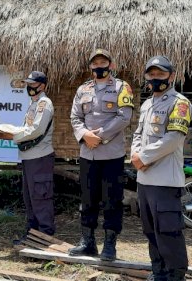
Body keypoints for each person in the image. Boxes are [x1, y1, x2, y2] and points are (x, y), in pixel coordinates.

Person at [69, 48, 135, 261]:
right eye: (95, 63)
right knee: (88, 200)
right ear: (90, 66)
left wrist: (101, 136)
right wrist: (84, 134)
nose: (99, 66)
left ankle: (109, 245)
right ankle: (88, 242)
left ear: (111, 65)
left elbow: (125, 117)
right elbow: (75, 117)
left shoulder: (122, 87)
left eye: (103, 62)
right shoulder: (83, 89)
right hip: (88, 155)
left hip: (112, 155)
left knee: (112, 200)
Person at [131, 55, 192, 281]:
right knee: (150, 230)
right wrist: (135, 154)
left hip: (165, 181)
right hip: (144, 180)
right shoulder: (147, 104)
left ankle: (176, 275)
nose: (155, 78)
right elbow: (138, 134)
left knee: (168, 232)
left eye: (161, 74)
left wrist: (144, 157)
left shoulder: (180, 103)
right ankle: (159, 271)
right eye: (152, 74)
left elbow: (174, 138)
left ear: (172, 76)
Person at [0, 71, 56, 239]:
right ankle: (32, 235)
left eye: (33, 84)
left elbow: (36, 130)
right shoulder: (33, 104)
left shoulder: (44, 104)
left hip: (39, 157)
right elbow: (28, 128)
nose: (30, 87)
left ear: (43, 86)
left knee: (40, 197)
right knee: (30, 198)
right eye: (28, 84)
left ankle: (45, 236)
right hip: (29, 157)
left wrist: (10, 135)